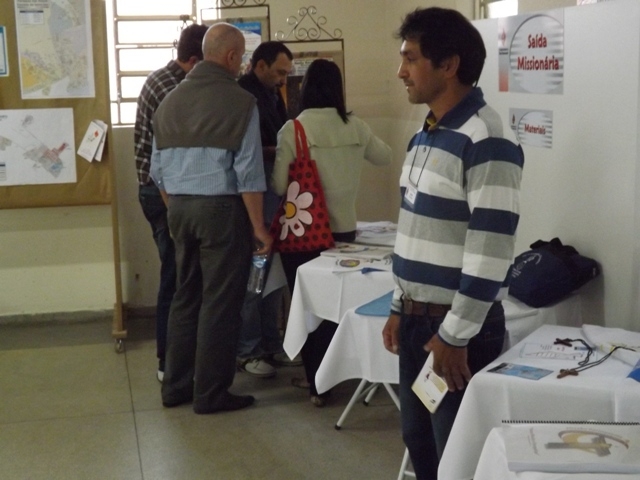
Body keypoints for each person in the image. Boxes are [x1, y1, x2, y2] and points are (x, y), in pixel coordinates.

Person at [381, 8, 524, 479]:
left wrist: (454, 336)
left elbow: (491, 251)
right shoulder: (427, 132)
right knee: (419, 442)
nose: (401, 71)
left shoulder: (487, 137)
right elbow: (416, 231)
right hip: (417, 322)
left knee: (456, 458)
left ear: (448, 65)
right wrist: (400, 304)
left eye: (411, 59)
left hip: (456, 331)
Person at [150, 23, 272, 414]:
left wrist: (176, 206)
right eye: (242, 56)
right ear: (232, 57)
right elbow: (248, 172)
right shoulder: (240, 102)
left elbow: (156, 171)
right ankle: (211, 393)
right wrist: (258, 227)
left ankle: (176, 386)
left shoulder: (169, 102)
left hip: (179, 208)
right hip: (220, 210)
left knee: (186, 296)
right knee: (220, 302)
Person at [273, 58, 392, 407]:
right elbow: (384, 157)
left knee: (309, 308)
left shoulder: (294, 129)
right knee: (337, 308)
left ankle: (317, 385)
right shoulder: (356, 126)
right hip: (345, 230)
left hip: (305, 234)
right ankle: (342, 372)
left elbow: (279, 184)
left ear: (305, 87)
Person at [133, 23, 209, 382]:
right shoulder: (174, 89)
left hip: (160, 190)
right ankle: (169, 361)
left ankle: (178, 358)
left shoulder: (161, 78)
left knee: (180, 275)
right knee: (176, 277)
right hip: (162, 192)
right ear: (194, 60)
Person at [235, 41, 295, 378]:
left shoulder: (272, 94)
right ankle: (249, 349)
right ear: (259, 66)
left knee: (272, 278)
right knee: (255, 277)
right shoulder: (244, 98)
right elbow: (250, 152)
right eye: (279, 72)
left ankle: (271, 343)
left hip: (274, 199)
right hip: (256, 203)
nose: (284, 79)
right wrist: (283, 150)